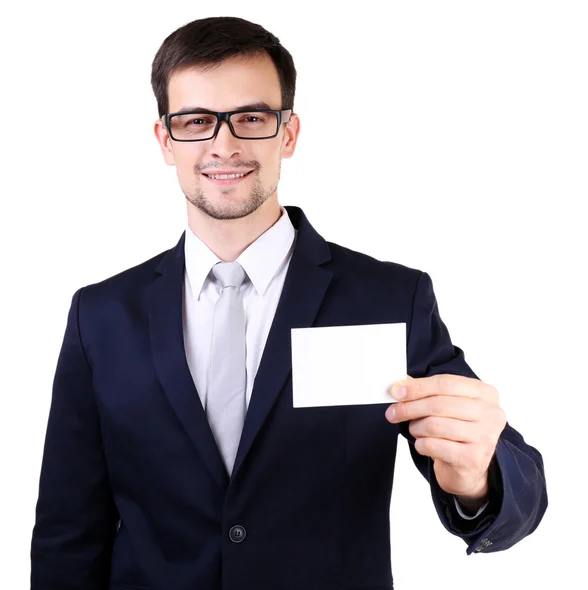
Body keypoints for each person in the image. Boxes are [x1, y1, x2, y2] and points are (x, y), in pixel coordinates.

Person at [30, 16, 548, 590]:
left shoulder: (388, 299)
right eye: (196, 121)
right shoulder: (99, 317)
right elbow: (67, 535)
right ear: (165, 140)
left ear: (289, 133)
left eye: (250, 118)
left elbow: (518, 490)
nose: (223, 144)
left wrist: (478, 477)